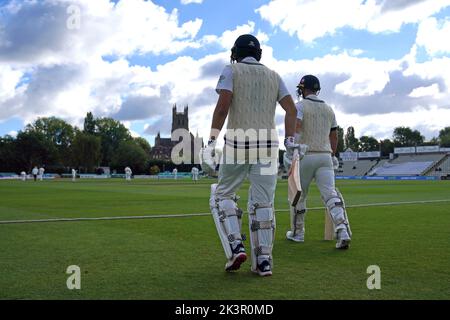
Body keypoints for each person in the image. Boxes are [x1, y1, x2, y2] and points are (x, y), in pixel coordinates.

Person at [202, 34, 297, 276]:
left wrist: (211, 141)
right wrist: (290, 141)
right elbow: (292, 110)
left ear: (236, 52)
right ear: (258, 54)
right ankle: (263, 261)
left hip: (238, 142)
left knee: (221, 194)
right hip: (268, 146)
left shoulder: (232, 71)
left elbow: (223, 107)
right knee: (263, 202)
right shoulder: (274, 76)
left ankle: (235, 245)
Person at [284, 75, 352, 249]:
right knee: (330, 194)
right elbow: (334, 136)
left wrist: (293, 148)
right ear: (317, 89)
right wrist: (332, 154)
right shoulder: (329, 109)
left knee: (298, 195)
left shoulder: (300, 106)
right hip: (325, 156)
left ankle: (298, 233)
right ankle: (342, 229)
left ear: (302, 88)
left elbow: (297, 127)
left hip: (305, 155)